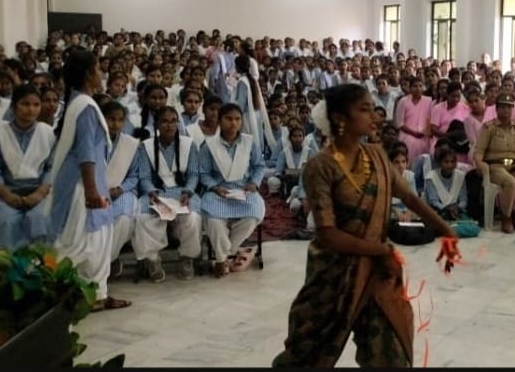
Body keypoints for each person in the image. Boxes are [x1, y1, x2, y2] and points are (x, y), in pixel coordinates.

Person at [273, 84, 458, 368]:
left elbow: (409, 197)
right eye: (364, 109)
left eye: (373, 108)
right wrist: (381, 251)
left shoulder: (377, 156)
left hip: (377, 275)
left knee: (390, 356)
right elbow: (328, 235)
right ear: (339, 118)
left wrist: (446, 230)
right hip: (334, 277)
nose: (375, 115)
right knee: (306, 357)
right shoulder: (321, 166)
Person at [46, 49, 132, 312]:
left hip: (85, 181)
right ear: (87, 74)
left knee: (94, 239)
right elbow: (85, 151)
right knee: (85, 240)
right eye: (97, 69)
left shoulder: (78, 101)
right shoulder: (85, 106)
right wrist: (92, 191)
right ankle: (69, 292)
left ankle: (96, 294)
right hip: (82, 185)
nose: (101, 74)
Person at [134, 106, 203, 281]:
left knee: (193, 217)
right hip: (157, 192)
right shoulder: (146, 146)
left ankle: (187, 257)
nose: (169, 125)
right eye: (164, 121)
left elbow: (194, 174)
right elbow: (144, 177)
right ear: (157, 124)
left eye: (173, 121)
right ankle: (152, 259)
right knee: (143, 217)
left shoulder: (188, 144)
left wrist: (188, 192)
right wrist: (151, 192)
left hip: (182, 192)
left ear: (178, 123)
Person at [0, 85, 55, 250]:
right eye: (25, 104)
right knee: (7, 221)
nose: (31, 109)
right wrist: (8, 195)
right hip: (6, 192)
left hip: (40, 192)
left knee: (39, 219)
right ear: (14, 106)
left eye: (36, 104)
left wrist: (39, 194)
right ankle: (6, 262)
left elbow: (52, 168)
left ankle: (37, 263)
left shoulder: (48, 133)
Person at [198, 103, 266, 277]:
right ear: (219, 120)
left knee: (254, 214)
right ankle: (223, 258)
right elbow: (204, 173)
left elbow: (259, 166)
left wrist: (254, 183)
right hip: (218, 192)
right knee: (213, 220)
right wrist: (215, 187)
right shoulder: (208, 146)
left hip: (244, 190)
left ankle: (223, 256)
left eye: (237, 119)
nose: (233, 123)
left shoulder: (249, 143)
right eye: (228, 119)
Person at [472, 93, 515, 233]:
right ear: (496, 109)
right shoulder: (489, 127)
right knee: (511, 183)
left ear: (513, 109)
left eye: (509, 107)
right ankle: (506, 217)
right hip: (496, 166)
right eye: (502, 107)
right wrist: (479, 163)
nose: (506, 110)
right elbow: (479, 151)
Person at [100, 101, 144, 280]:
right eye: (111, 119)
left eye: (120, 120)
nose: (115, 124)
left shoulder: (130, 144)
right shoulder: (94, 141)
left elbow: (134, 175)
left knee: (124, 219)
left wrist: (121, 189)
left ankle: (107, 261)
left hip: (122, 191)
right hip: (96, 191)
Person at [424, 145, 469, 221]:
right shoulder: (431, 177)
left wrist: (457, 208)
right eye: (446, 162)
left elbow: (463, 200)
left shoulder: (460, 176)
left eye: (452, 162)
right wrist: (447, 209)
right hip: (437, 214)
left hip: (457, 213)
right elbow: (434, 202)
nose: (449, 165)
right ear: (440, 163)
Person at [394, 76, 433, 162]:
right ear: (410, 88)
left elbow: (430, 119)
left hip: (424, 137)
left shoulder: (429, 101)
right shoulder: (403, 101)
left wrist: (425, 132)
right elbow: (400, 123)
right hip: (407, 137)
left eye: (420, 86)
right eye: (415, 86)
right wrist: (414, 133)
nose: (418, 89)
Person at [388, 145, 418, 221]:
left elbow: (414, 199)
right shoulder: (386, 177)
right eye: (396, 162)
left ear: (407, 163)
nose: (401, 165)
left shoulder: (410, 176)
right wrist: (396, 211)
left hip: (407, 209)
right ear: (390, 164)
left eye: (403, 162)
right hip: (390, 209)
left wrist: (408, 212)